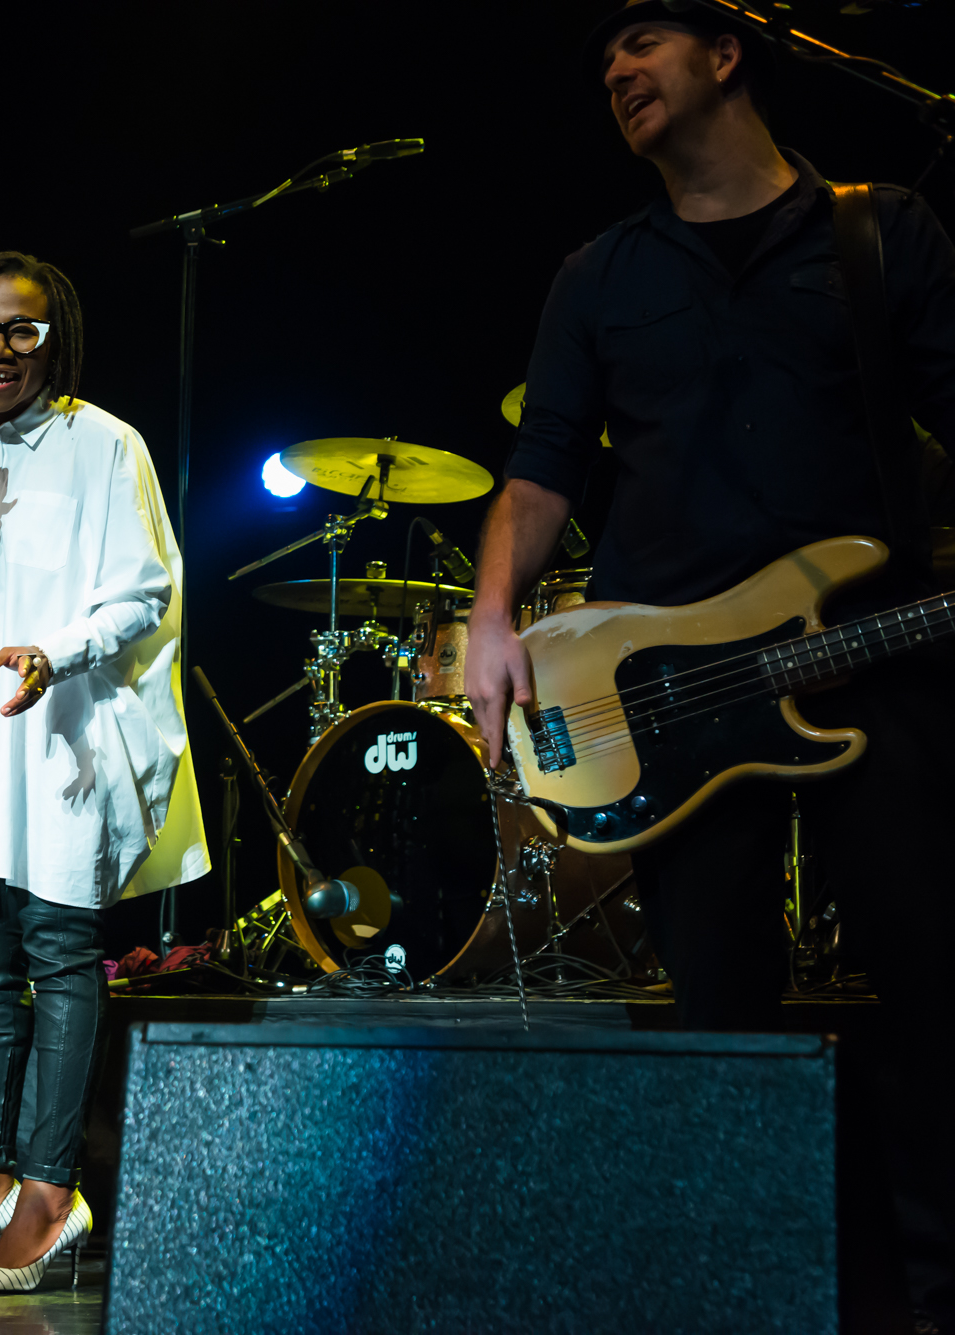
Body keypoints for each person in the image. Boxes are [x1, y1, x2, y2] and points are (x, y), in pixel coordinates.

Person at [468, 4, 953, 1321]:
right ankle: (767, 1288)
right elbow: (544, 464)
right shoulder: (599, 273)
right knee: (719, 1012)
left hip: (869, 652)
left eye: (639, 41)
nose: (613, 71)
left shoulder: (879, 230)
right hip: (666, 691)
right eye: (602, 60)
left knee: (926, 989)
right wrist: (492, 614)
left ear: (728, 52)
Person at [0, 252, 208, 1291]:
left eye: (18, 331)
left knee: (57, 956)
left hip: (60, 726)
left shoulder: (105, 443)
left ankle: (47, 1192)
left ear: (52, 340)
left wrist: (50, 653)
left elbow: (141, 593)